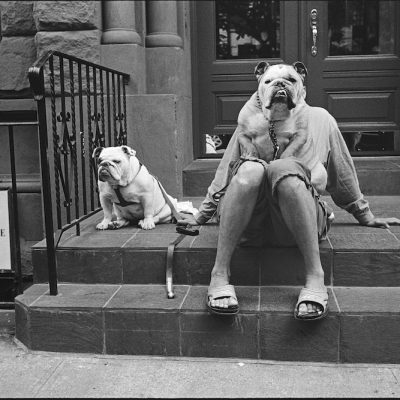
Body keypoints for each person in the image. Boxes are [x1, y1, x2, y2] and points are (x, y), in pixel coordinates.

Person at [178, 61, 400, 320]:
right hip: (250, 223)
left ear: (302, 86)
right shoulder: (249, 121)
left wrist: (364, 214)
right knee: (249, 170)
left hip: (295, 223)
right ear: (260, 89)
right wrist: (202, 215)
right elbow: (226, 171)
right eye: (271, 81)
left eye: (290, 81)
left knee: (285, 171)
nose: (280, 86)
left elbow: (342, 172)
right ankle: (219, 272)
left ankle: (315, 276)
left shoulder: (320, 119)